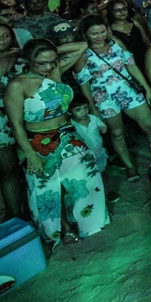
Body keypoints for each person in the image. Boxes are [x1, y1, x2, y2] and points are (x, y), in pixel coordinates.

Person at [6, 39, 109, 247]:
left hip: (68, 135)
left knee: (85, 179)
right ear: (28, 60)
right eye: (41, 62)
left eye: (51, 61)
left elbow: (82, 46)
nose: (47, 66)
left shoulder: (54, 72)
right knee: (50, 189)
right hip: (38, 142)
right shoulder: (17, 85)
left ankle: (88, 222)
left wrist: (51, 51)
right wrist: (30, 154)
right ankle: (63, 227)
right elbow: (16, 124)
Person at [74, 15, 151, 182]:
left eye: (102, 31)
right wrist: (92, 109)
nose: (100, 36)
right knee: (117, 133)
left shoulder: (116, 43)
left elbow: (131, 66)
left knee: (150, 126)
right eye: (94, 33)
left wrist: (147, 88)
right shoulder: (84, 54)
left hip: (128, 90)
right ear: (85, 34)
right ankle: (129, 166)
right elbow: (84, 85)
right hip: (103, 98)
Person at [69, 93, 118, 203]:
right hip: (84, 157)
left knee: (102, 174)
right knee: (88, 177)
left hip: (99, 153)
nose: (83, 112)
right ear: (69, 112)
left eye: (85, 108)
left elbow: (102, 127)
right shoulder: (71, 125)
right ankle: (93, 197)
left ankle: (106, 193)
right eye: (78, 110)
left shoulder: (93, 118)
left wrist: (103, 128)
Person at [0, 23, 24, 220]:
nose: (2, 39)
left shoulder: (21, 59)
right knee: (9, 171)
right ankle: (14, 214)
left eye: (6, 35)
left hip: (24, 118)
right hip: (2, 124)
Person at [107, 0, 151, 69]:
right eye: (118, 10)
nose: (122, 12)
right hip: (128, 64)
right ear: (112, 12)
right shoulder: (110, 30)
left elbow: (146, 41)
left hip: (145, 59)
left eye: (124, 9)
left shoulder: (134, 23)